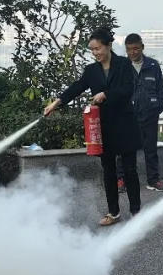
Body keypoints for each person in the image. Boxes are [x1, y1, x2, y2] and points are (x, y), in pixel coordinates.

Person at [44, 28, 142, 226]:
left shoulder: (124, 64)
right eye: (92, 50)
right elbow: (77, 87)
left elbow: (127, 89)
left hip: (125, 125)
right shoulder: (91, 70)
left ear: (108, 46)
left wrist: (106, 94)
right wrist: (57, 102)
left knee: (130, 170)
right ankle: (113, 212)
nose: (95, 53)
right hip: (103, 127)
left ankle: (136, 211)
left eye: (98, 48)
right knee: (108, 171)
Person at [117, 33, 163, 192]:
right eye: (129, 49)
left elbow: (161, 88)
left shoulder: (153, 65)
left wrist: (158, 107)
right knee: (124, 148)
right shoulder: (122, 66)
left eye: (136, 48)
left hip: (150, 114)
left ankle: (153, 180)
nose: (132, 52)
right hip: (128, 116)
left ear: (142, 47)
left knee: (151, 149)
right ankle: (121, 180)